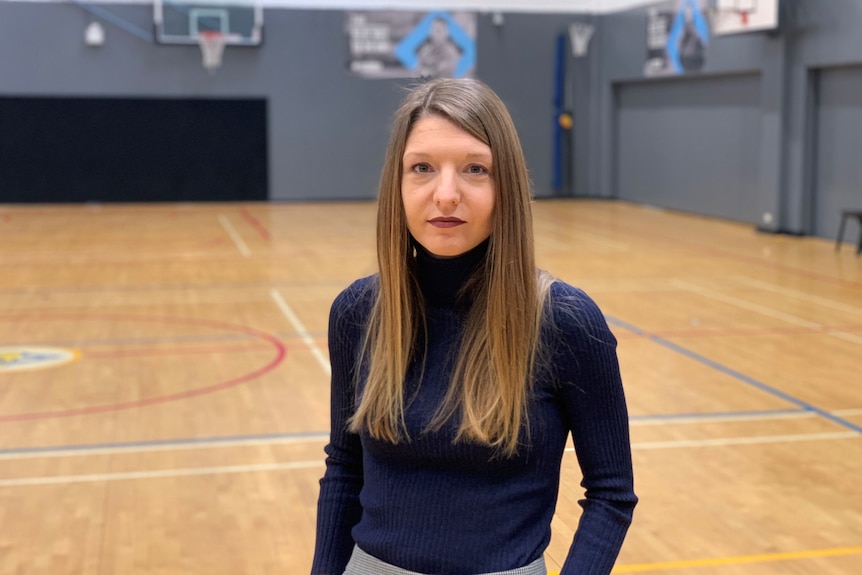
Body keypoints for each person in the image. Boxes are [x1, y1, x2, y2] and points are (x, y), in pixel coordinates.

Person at [311, 78, 637, 575]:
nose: (446, 195)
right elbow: (344, 469)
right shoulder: (358, 312)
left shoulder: (565, 322)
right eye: (422, 168)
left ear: (505, 184)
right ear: (396, 184)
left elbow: (611, 495)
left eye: (474, 169)